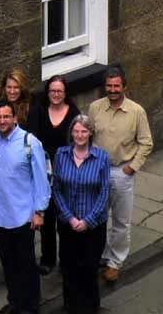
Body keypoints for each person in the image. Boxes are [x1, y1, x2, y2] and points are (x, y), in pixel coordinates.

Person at [0, 101, 51, 314]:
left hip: (22, 216)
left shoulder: (29, 142)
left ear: (15, 118)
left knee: (26, 265)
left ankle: (30, 307)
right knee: (8, 263)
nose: (2, 121)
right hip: (0, 215)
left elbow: (41, 178)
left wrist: (39, 211)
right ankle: (15, 301)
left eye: (6, 117)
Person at [89, 66, 153, 282]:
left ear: (124, 86)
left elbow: (146, 143)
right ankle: (98, 255)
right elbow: (86, 137)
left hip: (121, 171)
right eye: (109, 85)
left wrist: (131, 167)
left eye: (117, 85)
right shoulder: (95, 108)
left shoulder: (137, 112)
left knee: (120, 221)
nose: (113, 89)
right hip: (97, 171)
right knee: (96, 217)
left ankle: (114, 261)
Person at [53, 114, 110, 314]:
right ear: (71, 133)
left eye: (84, 131)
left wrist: (88, 220)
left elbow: (104, 193)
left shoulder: (102, 157)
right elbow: (57, 189)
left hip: (93, 225)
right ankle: (71, 305)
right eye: (76, 131)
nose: (79, 135)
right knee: (69, 268)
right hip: (68, 223)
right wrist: (70, 218)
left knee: (89, 267)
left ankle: (90, 306)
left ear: (90, 133)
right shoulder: (61, 155)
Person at [27, 75, 80, 275]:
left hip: (66, 173)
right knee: (46, 217)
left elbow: (79, 142)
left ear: (65, 93)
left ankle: (67, 258)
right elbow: (32, 141)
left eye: (59, 91)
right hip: (44, 173)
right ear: (47, 93)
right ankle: (48, 258)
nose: (56, 94)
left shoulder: (74, 113)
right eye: (52, 91)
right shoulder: (39, 112)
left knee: (65, 218)